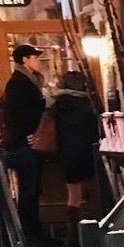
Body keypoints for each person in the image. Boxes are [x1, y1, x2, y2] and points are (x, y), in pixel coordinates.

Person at [1, 42, 46, 240]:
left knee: (33, 190)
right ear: (25, 60)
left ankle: (35, 234)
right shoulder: (19, 82)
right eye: (35, 57)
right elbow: (18, 114)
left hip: (29, 142)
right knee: (29, 190)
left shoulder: (29, 81)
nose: (38, 61)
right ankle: (30, 236)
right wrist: (29, 133)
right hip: (25, 145)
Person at [49, 70, 101, 234]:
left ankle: (74, 234)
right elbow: (95, 130)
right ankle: (95, 230)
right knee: (94, 191)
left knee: (74, 195)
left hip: (67, 153)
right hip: (88, 152)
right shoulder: (87, 104)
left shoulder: (57, 106)